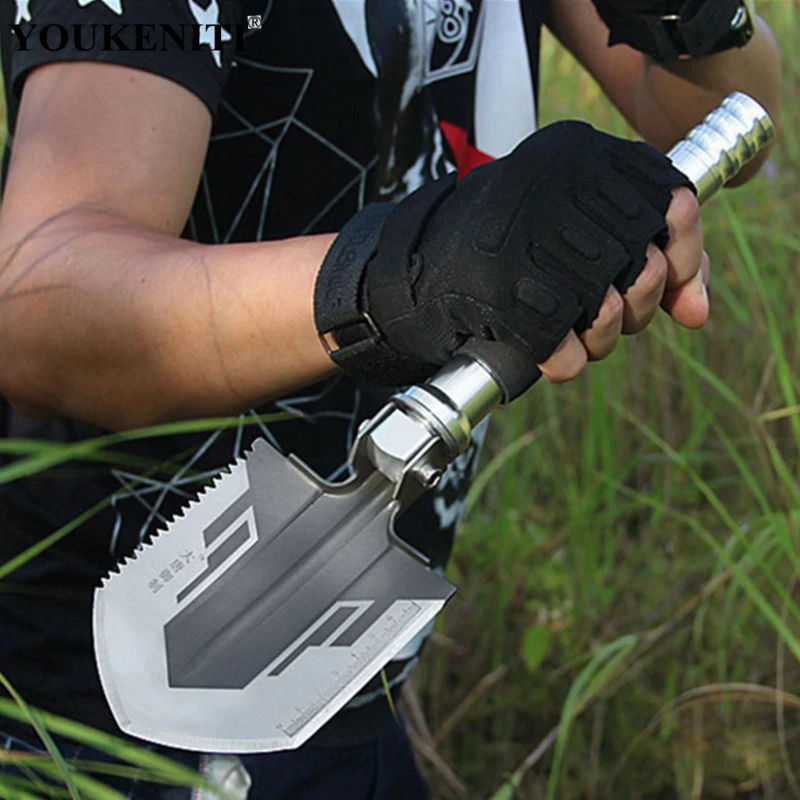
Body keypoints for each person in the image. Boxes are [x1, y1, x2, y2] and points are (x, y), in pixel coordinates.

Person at [0, 1, 781, 798]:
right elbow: (40, 307)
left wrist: (695, 14)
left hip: (338, 649)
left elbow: (734, 106)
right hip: (125, 668)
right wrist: (396, 278)